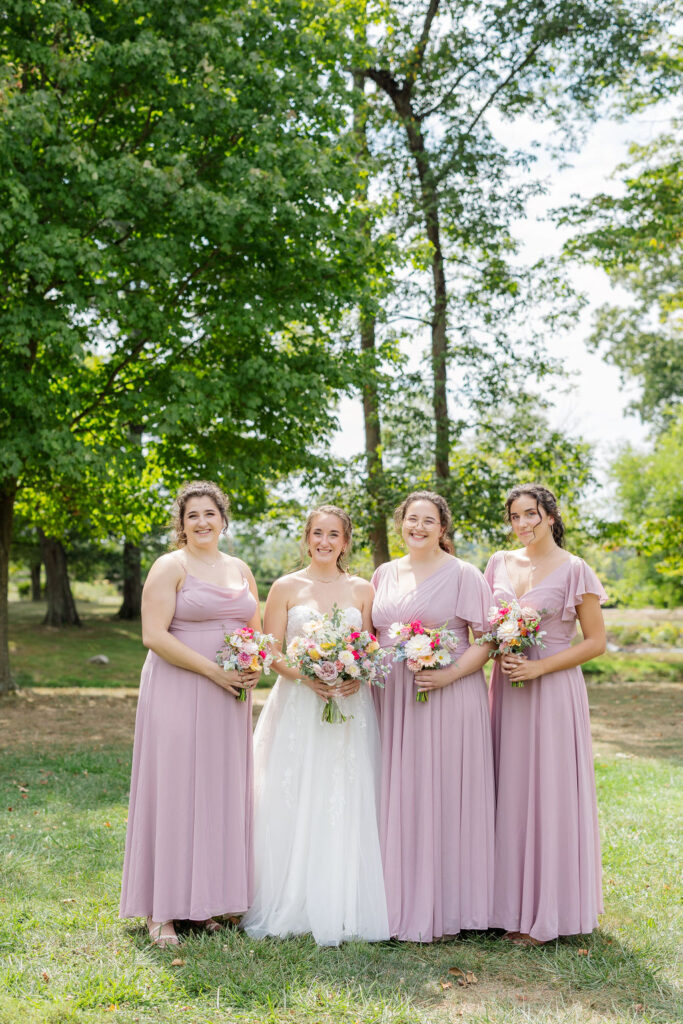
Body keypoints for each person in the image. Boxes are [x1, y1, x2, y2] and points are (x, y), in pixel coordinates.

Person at [120, 481, 261, 948]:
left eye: (210, 513)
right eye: (192, 515)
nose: (202, 522)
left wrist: (251, 668)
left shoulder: (240, 569)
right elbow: (154, 635)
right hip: (179, 688)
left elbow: (253, 630)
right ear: (181, 524)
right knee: (176, 791)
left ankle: (201, 905)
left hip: (229, 699)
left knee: (218, 793)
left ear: (224, 518)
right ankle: (161, 912)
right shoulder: (170, 566)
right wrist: (213, 672)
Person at [241, 505, 389, 945]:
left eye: (334, 534)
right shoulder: (286, 587)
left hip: (349, 707)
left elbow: (370, 648)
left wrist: (353, 673)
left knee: (344, 792)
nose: (325, 541)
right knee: (293, 790)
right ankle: (289, 894)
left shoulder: (363, 590)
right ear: (306, 538)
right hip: (298, 705)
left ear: (346, 541)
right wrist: (308, 675)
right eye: (317, 533)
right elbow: (271, 651)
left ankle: (342, 896)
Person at [484, 483, 607, 946]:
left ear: (551, 516)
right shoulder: (498, 562)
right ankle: (503, 906)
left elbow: (595, 642)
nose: (522, 524)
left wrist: (538, 667)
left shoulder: (575, 569)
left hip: (552, 689)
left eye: (531, 514)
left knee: (546, 793)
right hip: (507, 692)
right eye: (515, 516)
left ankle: (546, 913)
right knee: (508, 790)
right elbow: (483, 627)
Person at [371, 491, 495, 942]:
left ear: (443, 529)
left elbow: (485, 638)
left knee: (439, 793)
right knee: (397, 792)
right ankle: (390, 900)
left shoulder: (464, 574)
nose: (418, 527)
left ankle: (443, 907)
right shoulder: (384, 572)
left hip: (447, 694)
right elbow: (372, 634)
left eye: (428, 521)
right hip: (391, 696)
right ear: (400, 523)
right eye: (411, 519)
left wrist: (451, 675)